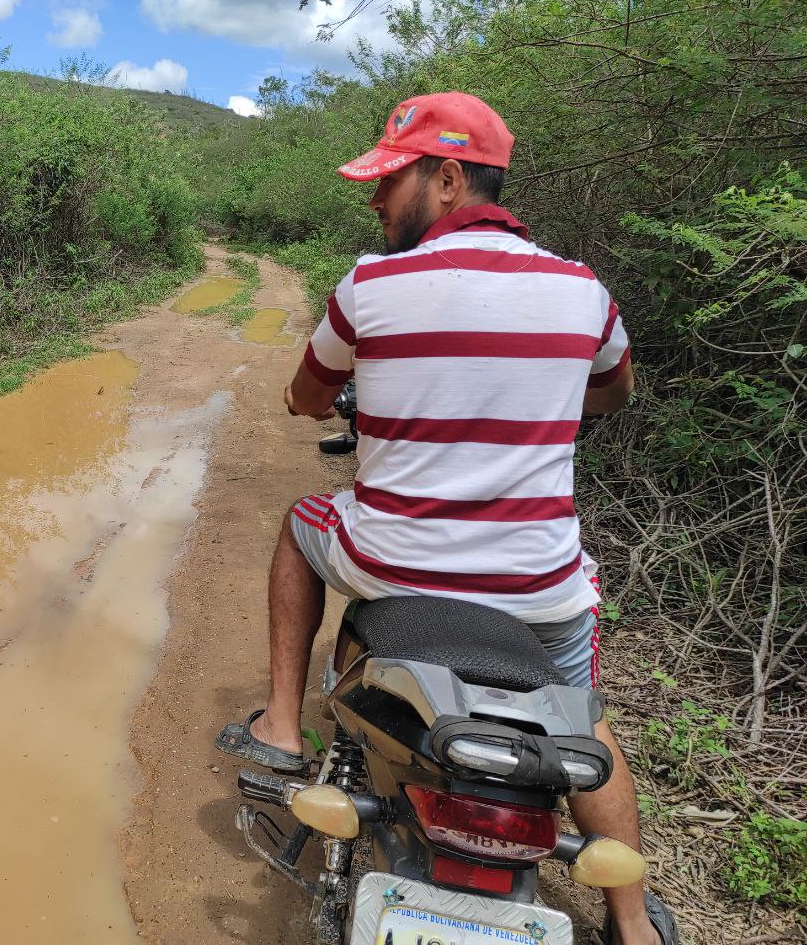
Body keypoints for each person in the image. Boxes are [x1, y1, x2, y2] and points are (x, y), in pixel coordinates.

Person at [215, 92, 675, 945]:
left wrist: (327, 394)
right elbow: (615, 392)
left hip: (390, 565)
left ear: (450, 177)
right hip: (537, 587)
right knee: (581, 713)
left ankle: (281, 723)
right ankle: (633, 920)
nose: (376, 200)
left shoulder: (370, 284)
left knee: (296, 522)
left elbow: (304, 396)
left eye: (390, 181)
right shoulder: (584, 291)